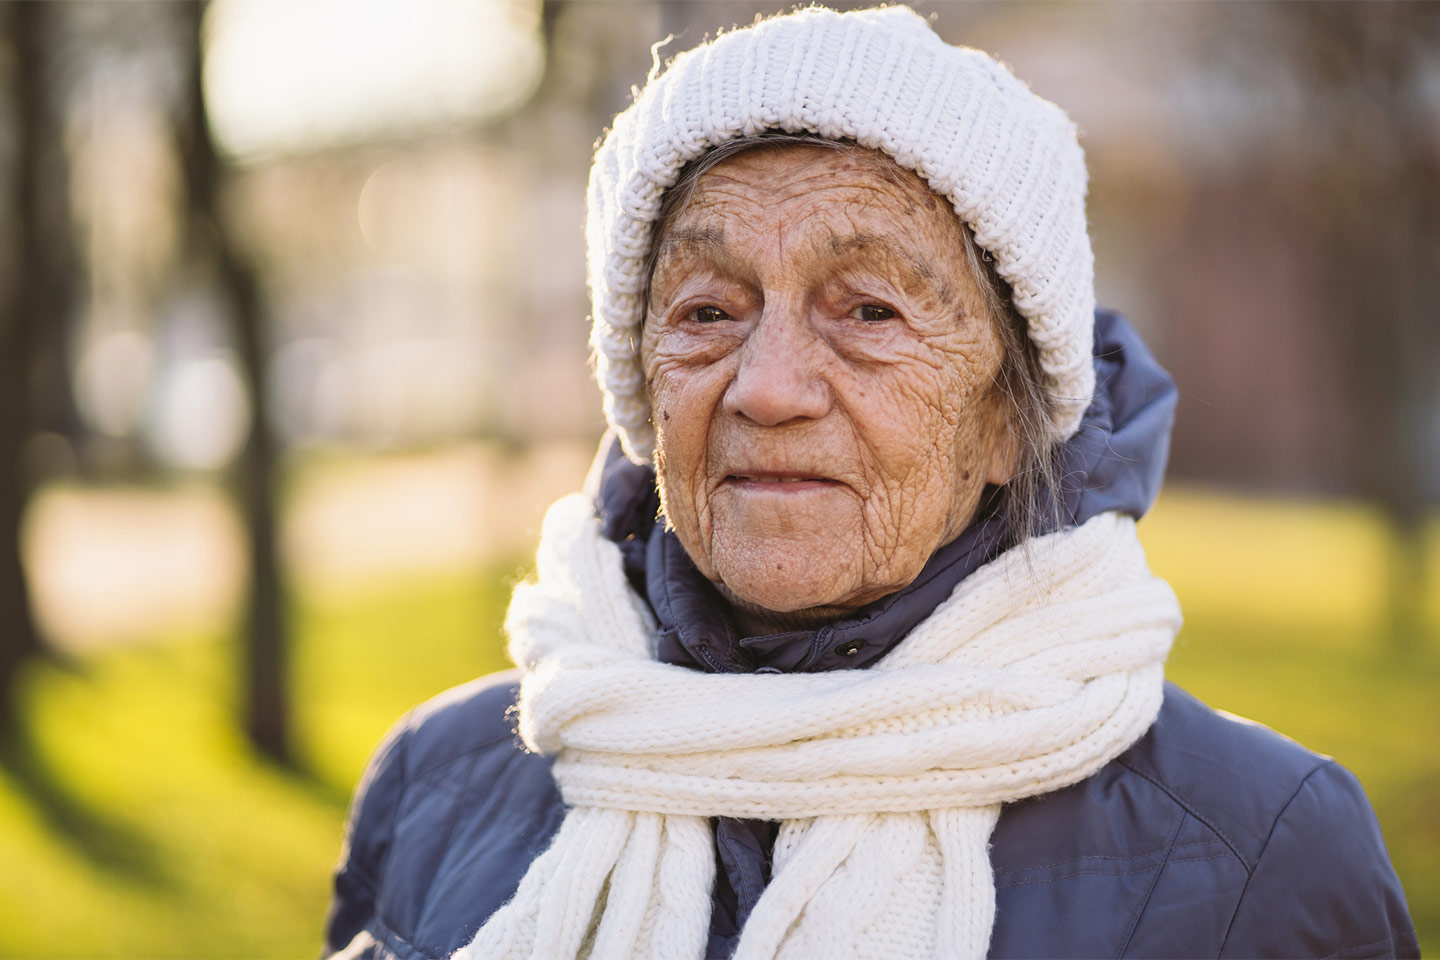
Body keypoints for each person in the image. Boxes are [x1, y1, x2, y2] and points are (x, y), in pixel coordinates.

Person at [324, 7, 1418, 959]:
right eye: (708, 309)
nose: (768, 387)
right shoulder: (435, 781)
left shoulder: (1261, 859)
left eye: (870, 311)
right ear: (644, 394)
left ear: (1008, 416)